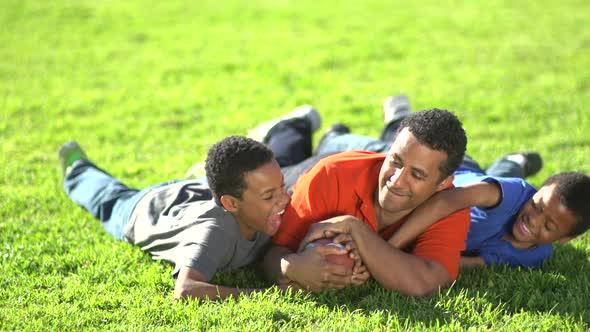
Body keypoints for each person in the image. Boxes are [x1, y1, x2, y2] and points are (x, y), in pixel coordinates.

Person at [310, 95, 590, 269]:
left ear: (565, 239)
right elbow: (446, 200)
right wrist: (390, 247)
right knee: (385, 150)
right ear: (537, 191)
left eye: (549, 225)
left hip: (475, 182)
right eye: (538, 205)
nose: (533, 220)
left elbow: (467, 263)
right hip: (449, 178)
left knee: (496, 175)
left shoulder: (533, 257)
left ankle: (515, 161)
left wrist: (385, 259)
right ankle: (335, 136)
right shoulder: (516, 194)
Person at [262, 108, 472, 296]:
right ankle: (294, 124)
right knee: (277, 163)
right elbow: (273, 252)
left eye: (416, 175)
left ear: (443, 183)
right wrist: (290, 267)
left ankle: (333, 134)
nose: (396, 181)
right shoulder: (331, 175)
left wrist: (355, 229)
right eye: (395, 161)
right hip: (296, 177)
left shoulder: (449, 206)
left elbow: (427, 284)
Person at [59, 136, 291, 300]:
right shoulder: (215, 231)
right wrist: (269, 294)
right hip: (146, 208)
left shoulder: (264, 207)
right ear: (230, 203)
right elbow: (186, 290)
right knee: (107, 197)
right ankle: (77, 165)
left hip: (195, 192)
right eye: (270, 196)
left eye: (282, 187)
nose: (284, 199)